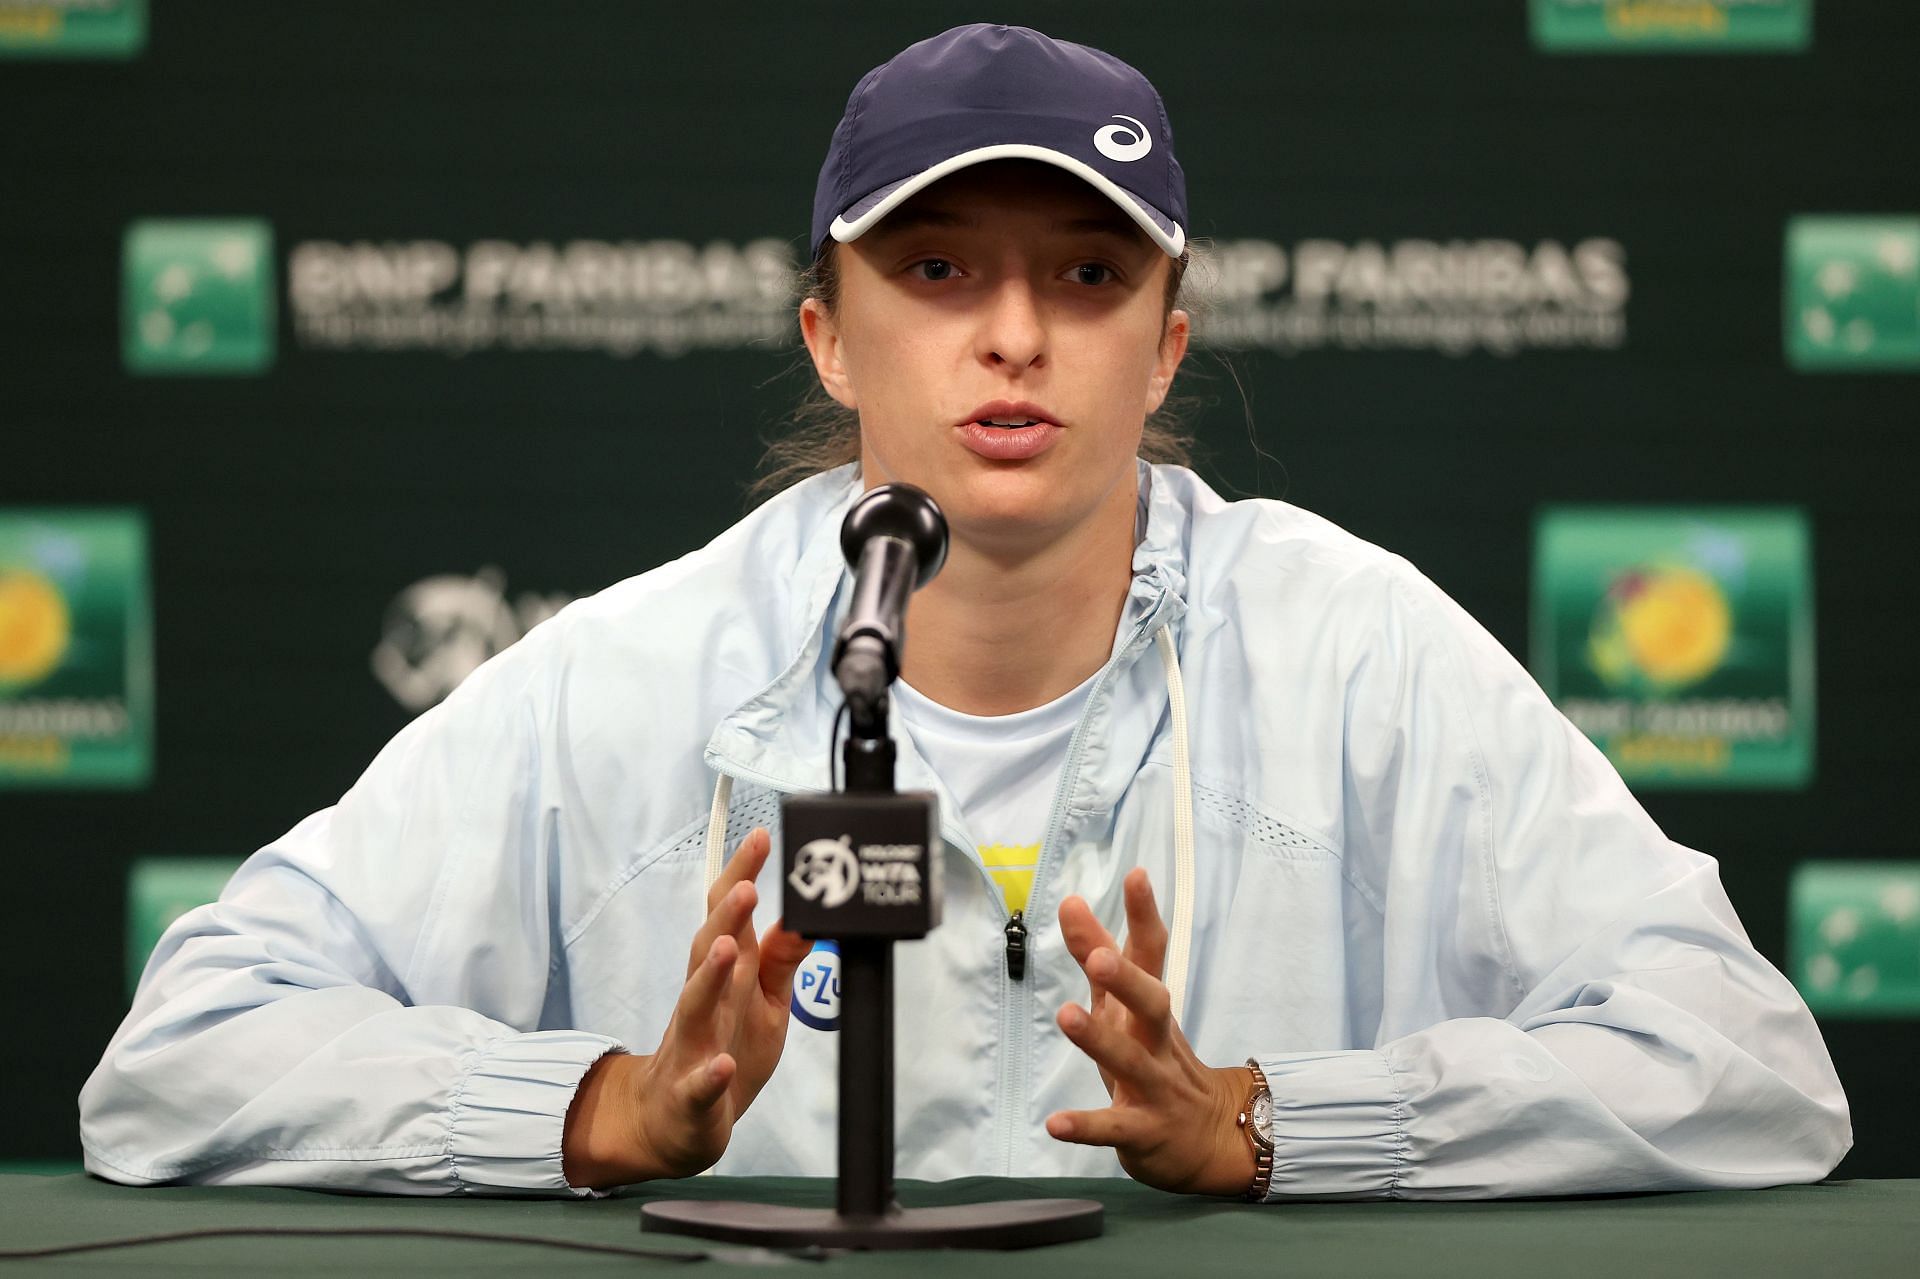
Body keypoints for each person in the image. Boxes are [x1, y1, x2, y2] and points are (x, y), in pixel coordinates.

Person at [80, 23, 1849, 1201]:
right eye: (937, 272)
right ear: (830, 337)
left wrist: (1275, 1123)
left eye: (1086, 277)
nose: (1013, 333)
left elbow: (1748, 1064)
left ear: (1165, 349)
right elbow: (182, 1052)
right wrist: (592, 1107)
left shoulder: (1357, 651)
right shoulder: (639, 671)